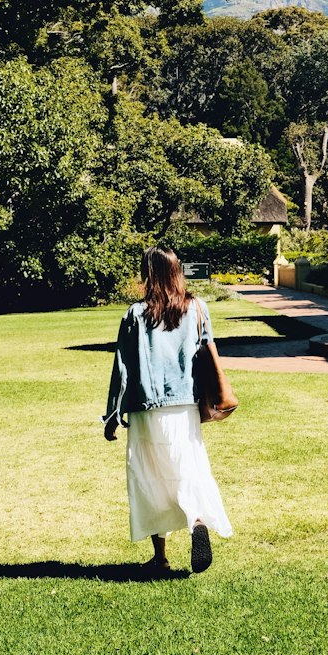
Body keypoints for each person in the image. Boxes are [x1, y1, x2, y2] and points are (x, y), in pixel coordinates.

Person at [103, 246, 232, 577]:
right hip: (185, 405)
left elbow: (123, 368)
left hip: (147, 408)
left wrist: (112, 415)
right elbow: (206, 352)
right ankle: (197, 519)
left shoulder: (135, 314)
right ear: (177, 272)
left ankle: (160, 557)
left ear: (149, 273)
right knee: (188, 466)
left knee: (150, 477)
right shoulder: (197, 308)